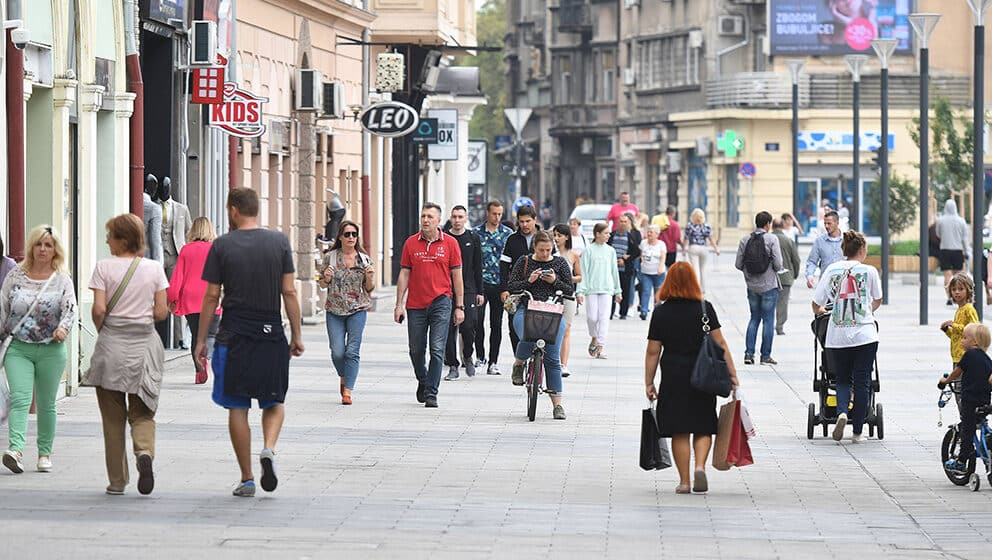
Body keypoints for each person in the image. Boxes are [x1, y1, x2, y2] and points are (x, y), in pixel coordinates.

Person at [196, 188, 305, 498]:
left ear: (233, 211)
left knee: (237, 405)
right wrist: (296, 335)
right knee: (274, 401)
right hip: (271, 335)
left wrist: (201, 339)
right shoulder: (279, 242)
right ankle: (269, 448)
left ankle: (246, 478)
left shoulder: (222, 245)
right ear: (256, 210)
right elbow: (290, 292)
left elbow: (211, 296)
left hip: (234, 336)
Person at [84, 214, 169, 495]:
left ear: (122, 240)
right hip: (144, 346)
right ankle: (144, 453)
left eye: (110, 235)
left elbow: (98, 310)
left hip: (111, 346)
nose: (107, 240)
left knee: (112, 420)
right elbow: (161, 311)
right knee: (143, 411)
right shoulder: (155, 269)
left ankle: (118, 481)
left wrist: (104, 330)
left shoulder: (103, 268)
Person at [645, 261, 739, 495]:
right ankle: (700, 467)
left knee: (679, 430)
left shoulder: (661, 312)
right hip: (704, 376)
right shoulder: (704, 308)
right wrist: (732, 374)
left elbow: (653, 351)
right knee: (702, 424)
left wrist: (649, 382)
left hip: (674, 376)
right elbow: (720, 343)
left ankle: (685, 481)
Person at [0, 226, 77, 475]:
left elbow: (71, 310)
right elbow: (3, 307)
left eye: (48, 245)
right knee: (20, 399)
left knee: (46, 404)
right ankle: (16, 451)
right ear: (31, 247)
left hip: (51, 350)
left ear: (55, 250)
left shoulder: (62, 279)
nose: (43, 249)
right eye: (38, 244)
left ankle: (44, 454)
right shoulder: (16, 275)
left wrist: (63, 329)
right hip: (18, 348)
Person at [812, 230, 882, 444]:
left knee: (841, 379)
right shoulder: (870, 271)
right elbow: (877, 300)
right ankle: (858, 432)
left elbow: (816, 305)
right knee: (862, 383)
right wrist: (866, 310)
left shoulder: (832, 270)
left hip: (837, 336)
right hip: (865, 335)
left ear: (844, 249)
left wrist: (826, 311)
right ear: (862, 250)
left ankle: (841, 412)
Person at [394, 203, 465, 409]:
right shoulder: (410, 243)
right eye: (423, 216)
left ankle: (432, 392)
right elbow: (404, 274)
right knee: (416, 350)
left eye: (430, 217)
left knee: (436, 349)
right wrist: (398, 304)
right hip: (415, 304)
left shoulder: (450, 244)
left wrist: (459, 306)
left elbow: (457, 276)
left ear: (438, 220)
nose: (425, 220)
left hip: (441, 301)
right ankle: (423, 380)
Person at [507, 231, 573, 419]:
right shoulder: (524, 261)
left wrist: (555, 281)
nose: (545, 254)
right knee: (528, 335)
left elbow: (570, 290)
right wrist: (529, 281)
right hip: (526, 309)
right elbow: (512, 286)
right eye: (541, 250)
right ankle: (519, 363)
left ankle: (557, 405)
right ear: (534, 247)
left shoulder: (559, 263)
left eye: (548, 250)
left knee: (552, 356)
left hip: (552, 312)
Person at [317, 220, 374, 405]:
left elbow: (369, 288)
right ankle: (344, 374)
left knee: (352, 351)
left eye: (354, 234)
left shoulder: (364, 259)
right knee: (337, 352)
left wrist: (370, 276)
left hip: (358, 309)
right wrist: (326, 278)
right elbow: (322, 284)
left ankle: (347, 391)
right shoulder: (330, 257)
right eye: (347, 234)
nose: (351, 237)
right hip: (334, 310)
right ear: (340, 237)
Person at [167, 217, 221, 384]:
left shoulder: (186, 250)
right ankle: (208, 357)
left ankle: (199, 370)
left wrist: (172, 298)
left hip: (191, 298)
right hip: (212, 296)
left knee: (197, 336)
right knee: (211, 334)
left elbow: (178, 277)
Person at [938, 323, 992, 471]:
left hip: (970, 401)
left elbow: (957, 372)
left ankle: (961, 462)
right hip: (985, 401)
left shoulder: (968, 355)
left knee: (967, 429)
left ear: (974, 342)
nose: (961, 340)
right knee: (982, 424)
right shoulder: (987, 359)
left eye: (964, 337)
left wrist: (946, 381)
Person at [735, 211, 783, 366]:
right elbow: (778, 264)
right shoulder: (772, 239)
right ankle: (765, 356)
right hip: (769, 285)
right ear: (768, 224)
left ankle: (749, 354)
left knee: (754, 318)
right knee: (768, 321)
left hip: (752, 287)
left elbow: (738, 264)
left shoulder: (745, 239)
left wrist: (750, 274)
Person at [443, 206, 483, 381]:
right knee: (447, 328)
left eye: (460, 217)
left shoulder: (473, 237)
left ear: (466, 218)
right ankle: (453, 365)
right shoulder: (444, 237)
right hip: (446, 289)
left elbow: (478, 266)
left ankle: (468, 355)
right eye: (454, 217)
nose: (457, 220)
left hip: (468, 288)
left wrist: (479, 291)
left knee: (468, 325)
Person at [474, 201, 514, 376]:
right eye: (494, 214)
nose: (497, 217)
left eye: (500, 214)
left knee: (496, 324)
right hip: (481, 284)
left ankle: (493, 361)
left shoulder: (508, 234)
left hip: (500, 285)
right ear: (487, 213)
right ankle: (480, 356)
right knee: (477, 321)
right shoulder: (476, 233)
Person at [156, 177, 192, 350]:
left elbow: (189, 231)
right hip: (156, 257)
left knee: (177, 296)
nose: (164, 190)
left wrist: (188, 253)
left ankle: (180, 338)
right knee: (155, 295)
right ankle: (154, 338)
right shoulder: (152, 206)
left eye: (166, 187)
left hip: (175, 255)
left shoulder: (181, 209)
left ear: (170, 188)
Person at [577, 223, 622, 359]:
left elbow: (614, 271)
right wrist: (580, 291)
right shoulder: (588, 250)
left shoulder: (611, 251)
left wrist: (617, 291)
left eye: (609, 233)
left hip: (607, 288)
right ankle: (594, 337)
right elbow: (583, 271)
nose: (608, 235)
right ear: (597, 234)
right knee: (592, 318)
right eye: (606, 233)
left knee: (603, 318)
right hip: (591, 289)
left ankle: (601, 347)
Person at [500, 205, 539, 354]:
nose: (524, 225)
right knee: (514, 326)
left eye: (528, 221)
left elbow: (555, 261)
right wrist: (504, 289)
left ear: (535, 220)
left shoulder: (544, 237)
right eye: (521, 221)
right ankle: (519, 358)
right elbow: (504, 266)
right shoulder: (512, 239)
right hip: (516, 289)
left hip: (539, 289)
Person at [552, 224, 582, 378]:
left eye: (559, 235)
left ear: (566, 237)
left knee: (566, 330)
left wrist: (566, 279)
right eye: (554, 235)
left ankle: (563, 364)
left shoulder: (573, 255)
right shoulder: (550, 253)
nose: (556, 238)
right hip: (551, 296)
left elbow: (579, 276)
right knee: (552, 329)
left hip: (568, 296)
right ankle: (552, 360)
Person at [940, 273, 980, 368]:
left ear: (968, 290)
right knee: (958, 382)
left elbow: (974, 330)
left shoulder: (969, 309)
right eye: (954, 289)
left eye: (961, 289)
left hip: (966, 356)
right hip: (956, 357)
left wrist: (954, 325)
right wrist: (947, 330)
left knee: (961, 382)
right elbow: (958, 336)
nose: (957, 292)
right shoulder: (959, 310)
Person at [936, 199, 971, 305]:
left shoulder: (941, 220)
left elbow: (938, 234)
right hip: (957, 250)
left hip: (945, 249)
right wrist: (967, 251)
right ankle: (960, 297)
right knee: (959, 275)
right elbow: (965, 238)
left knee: (947, 274)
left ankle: (949, 298)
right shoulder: (961, 221)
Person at [608, 213, 641, 320]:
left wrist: (626, 259)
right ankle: (610, 312)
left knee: (625, 291)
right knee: (611, 291)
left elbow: (636, 252)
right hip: (612, 269)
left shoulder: (631, 237)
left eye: (625, 222)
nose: (623, 224)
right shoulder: (611, 236)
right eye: (621, 221)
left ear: (628, 223)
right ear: (617, 223)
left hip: (625, 269)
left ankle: (623, 312)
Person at [771, 218, 801, 336]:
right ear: (783, 227)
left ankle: (768, 324)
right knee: (782, 303)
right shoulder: (789, 241)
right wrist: (795, 274)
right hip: (785, 277)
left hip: (769, 277)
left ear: (772, 226)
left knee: (769, 302)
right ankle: (780, 326)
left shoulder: (767, 239)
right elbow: (796, 260)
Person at [681, 208, 720, 293]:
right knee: (702, 269)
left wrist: (684, 248)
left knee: (695, 269)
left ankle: (696, 288)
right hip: (704, 248)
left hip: (693, 248)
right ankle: (703, 289)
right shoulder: (706, 226)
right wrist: (716, 248)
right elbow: (711, 239)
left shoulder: (689, 226)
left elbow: (686, 238)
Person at [805, 210, 843, 288]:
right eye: (825, 223)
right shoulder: (819, 241)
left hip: (843, 285)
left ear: (837, 223)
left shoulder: (847, 240)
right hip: (825, 284)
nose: (826, 226)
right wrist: (809, 276)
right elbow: (812, 261)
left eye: (829, 223)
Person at [637, 224, 667, 320]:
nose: (649, 234)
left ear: (657, 234)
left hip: (658, 273)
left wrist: (661, 267)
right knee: (646, 291)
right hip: (646, 272)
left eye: (651, 232)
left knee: (658, 293)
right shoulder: (643, 243)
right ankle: (644, 311)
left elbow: (663, 257)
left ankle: (657, 311)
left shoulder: (661, 244)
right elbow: (641, 255)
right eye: (648, 232)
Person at [142, 174, 163, 262]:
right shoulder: (154, 208)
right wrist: (158, 264)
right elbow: (155, 240)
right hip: (146, 258)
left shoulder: (125, 202)